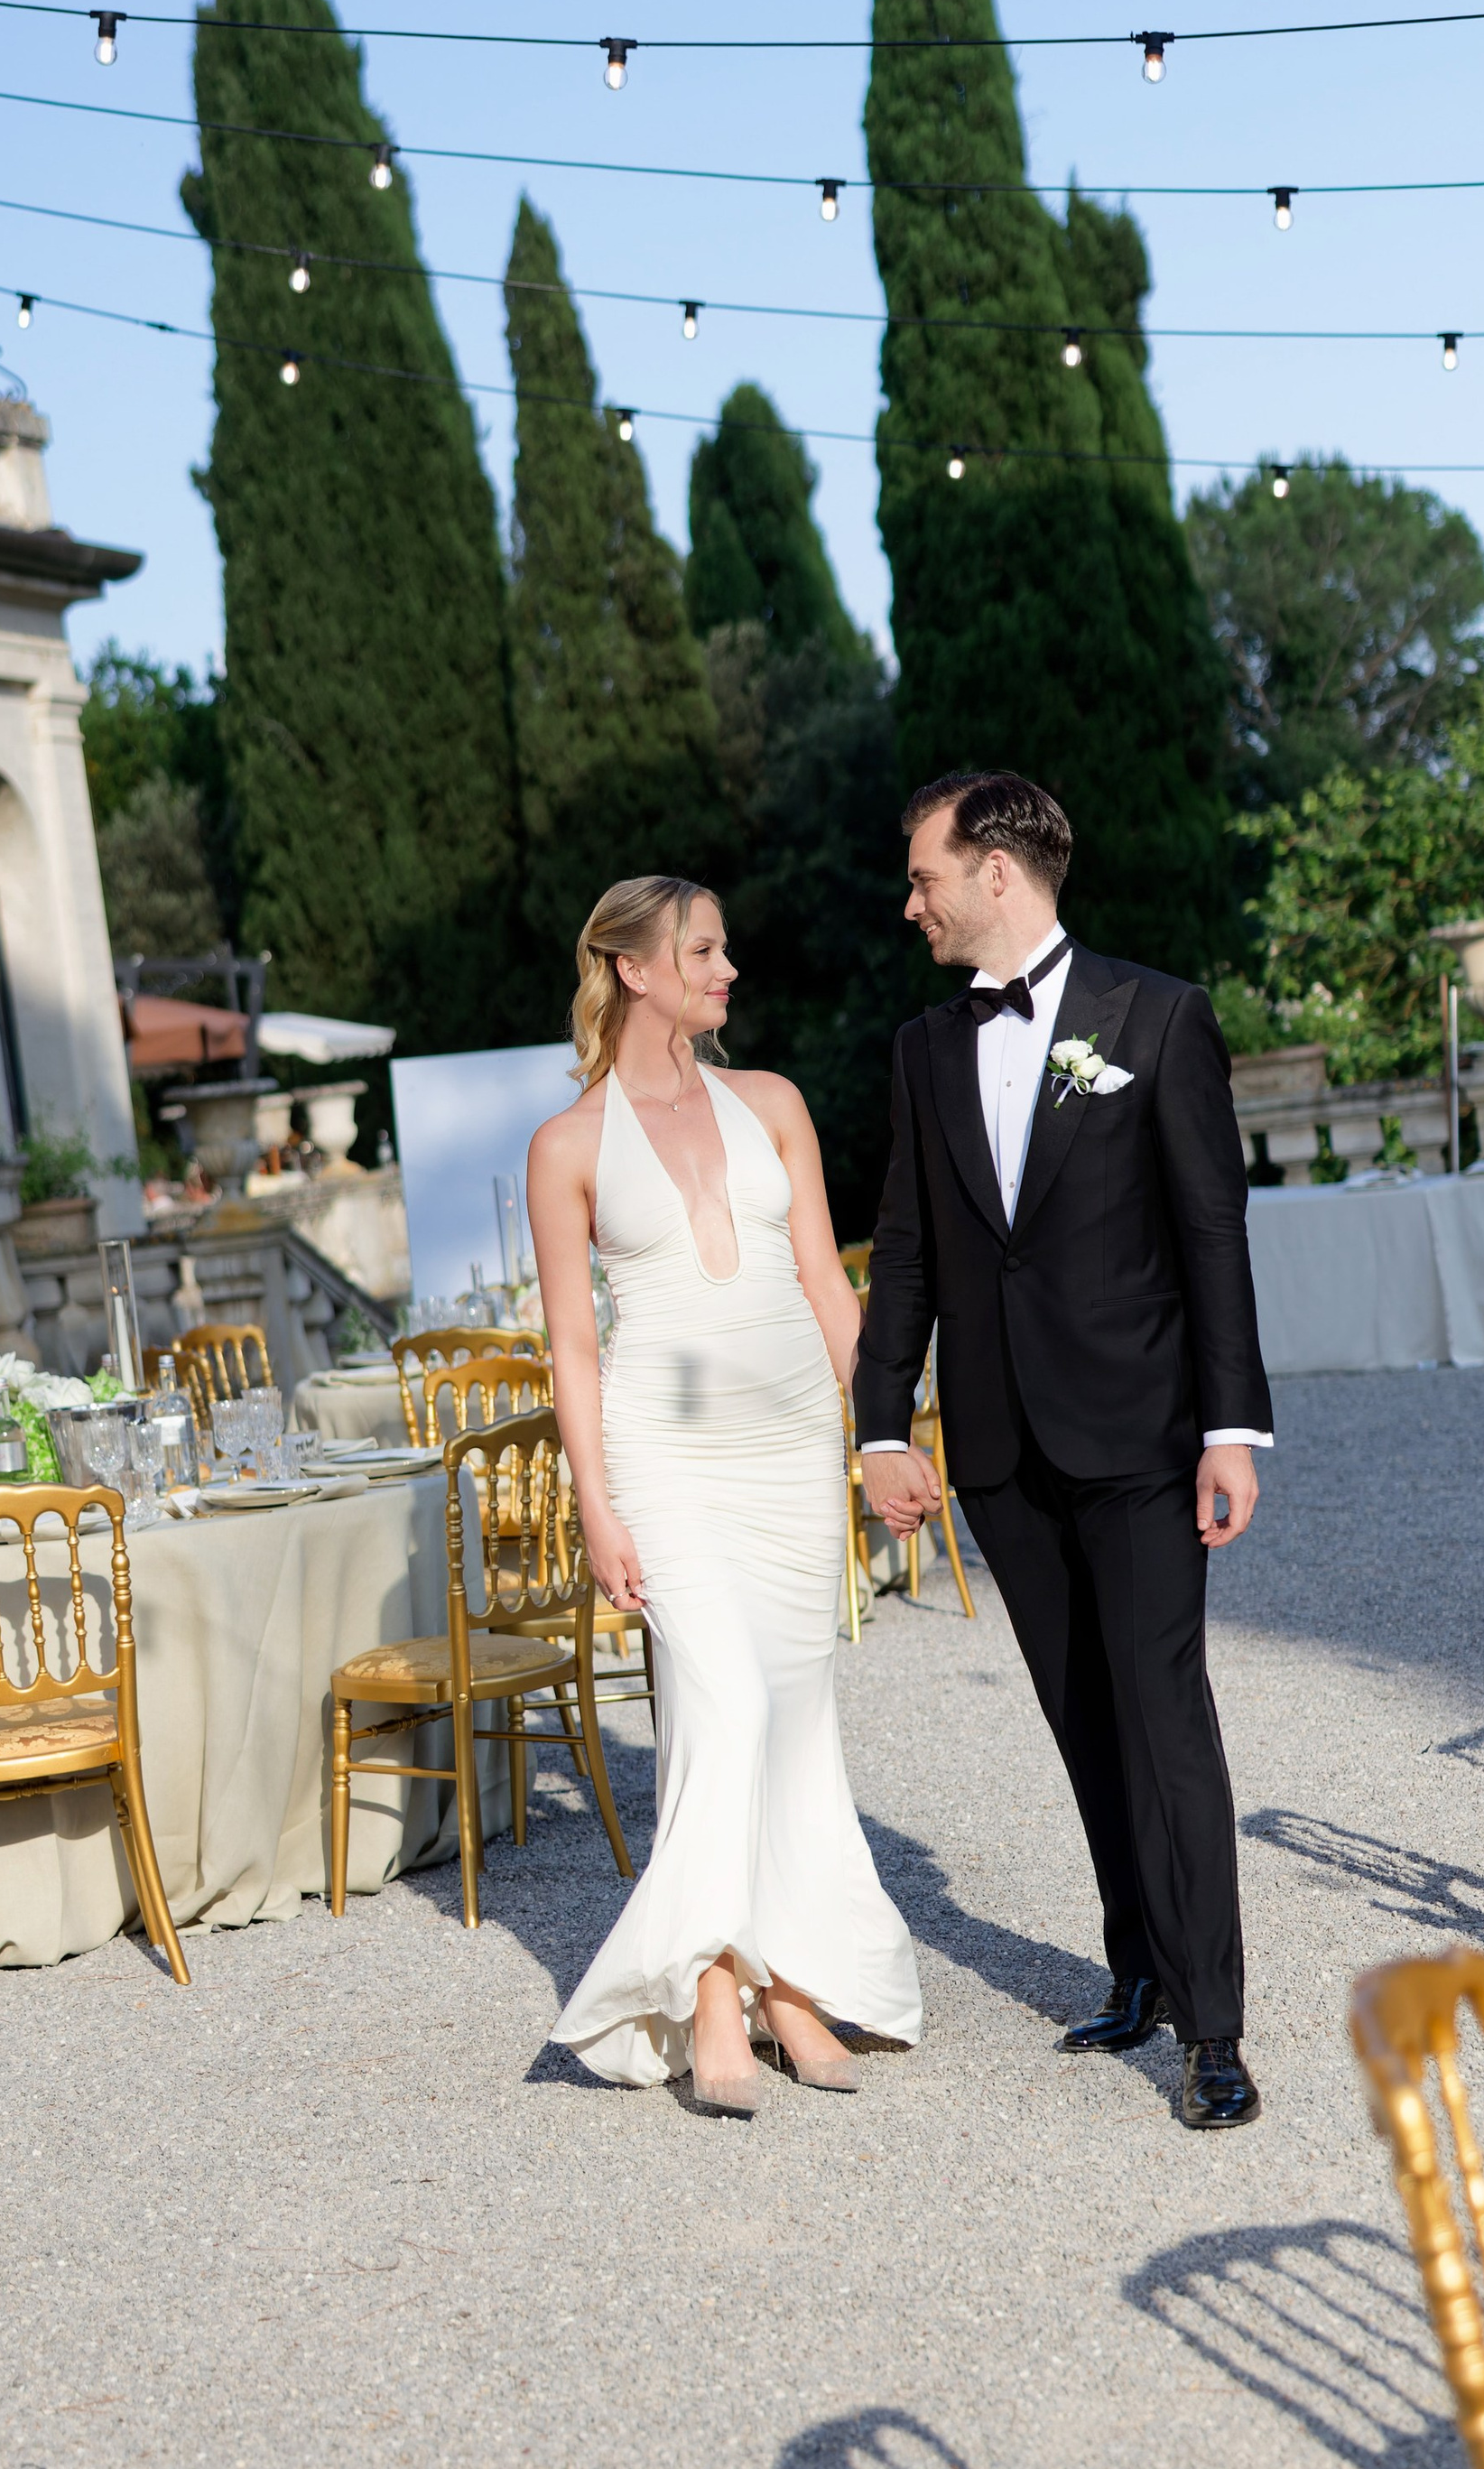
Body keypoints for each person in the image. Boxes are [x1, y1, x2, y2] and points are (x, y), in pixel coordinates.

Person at [854, 770, 1271, 2131]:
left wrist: (1230, 1429)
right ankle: (1136, 1964)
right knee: (1084, 1721)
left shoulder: (1156, 1016)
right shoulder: (922, 1048)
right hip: (1000, 1446)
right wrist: (877, 1424)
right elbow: (908, 1254)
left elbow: (1213, 1234)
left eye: (923, 875)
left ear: (995, 872)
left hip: (1146, 1435)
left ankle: (1214, 2028)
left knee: (1164, 1719)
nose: (908, 900)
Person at [529, 877, 923, 2115]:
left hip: (789, 1447)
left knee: (796, 1710)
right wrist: (597, 1505)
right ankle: (709, 1988)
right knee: (722, 1700)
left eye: (725, 946)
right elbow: (573, 1348)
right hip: (665, 1454)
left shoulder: (775, 1105)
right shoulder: (568, 1145)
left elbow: (823, 1277)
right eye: (704, 948)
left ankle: (789, 1982)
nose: (729, 965)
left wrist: (880, 1439)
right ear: (635, 968)